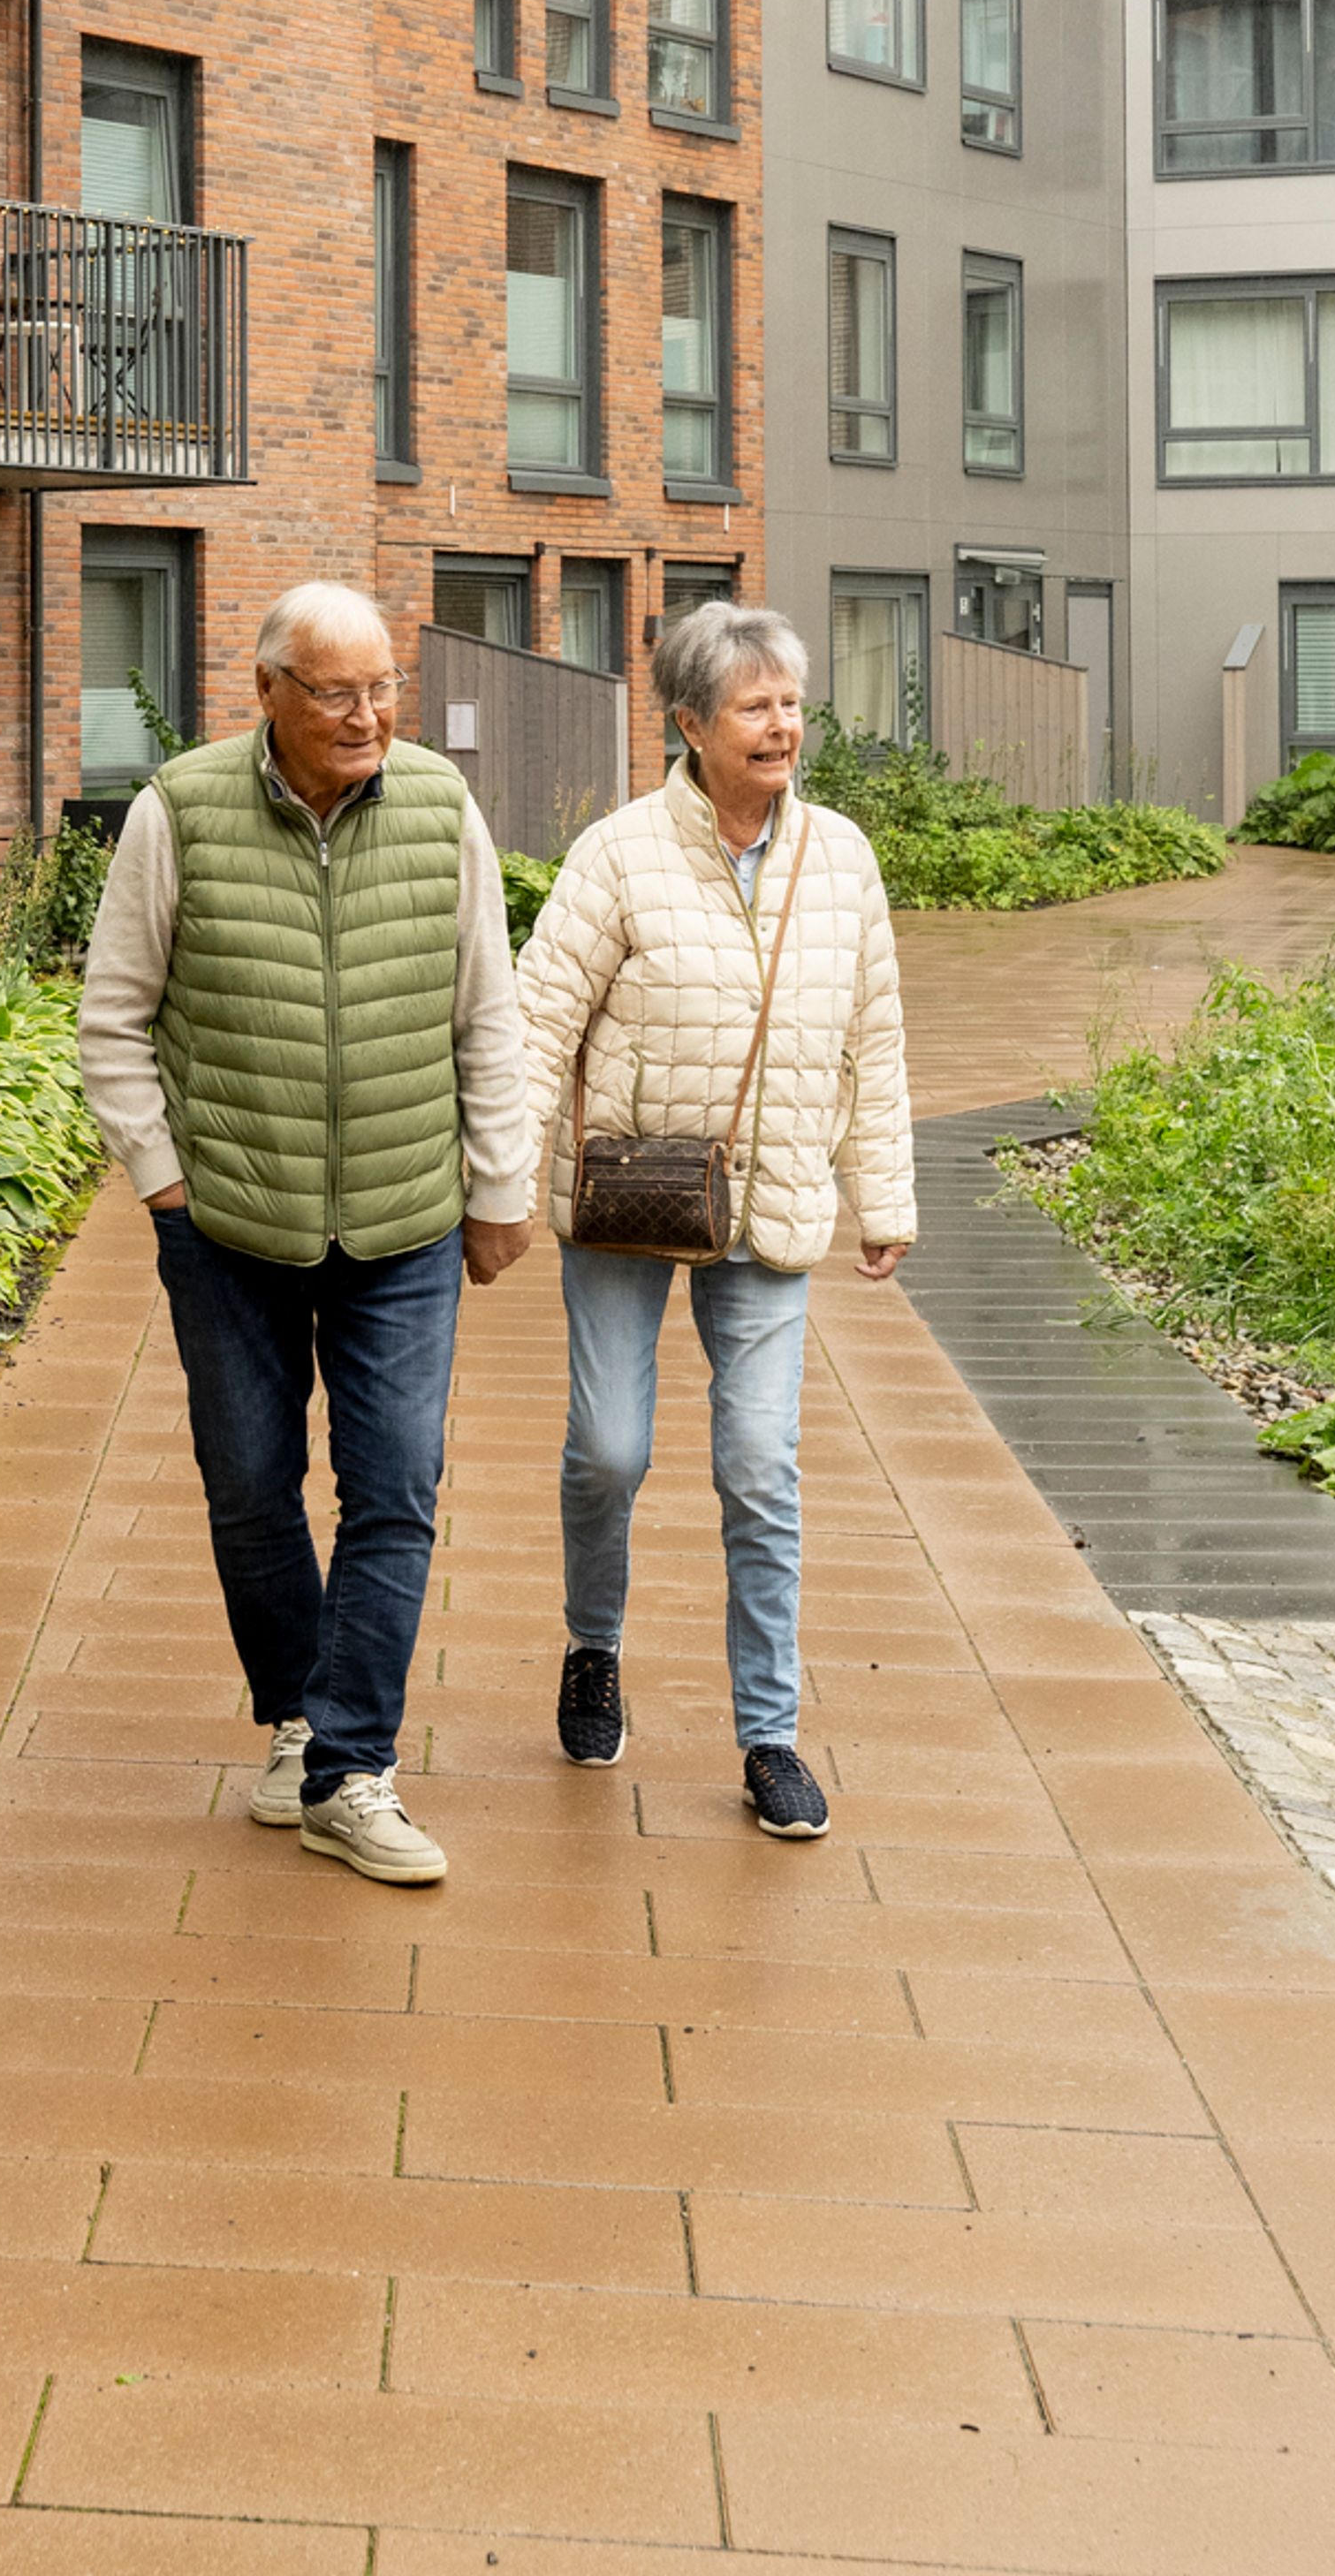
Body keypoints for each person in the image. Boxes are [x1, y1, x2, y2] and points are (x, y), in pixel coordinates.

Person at [77, 580, 532, 1886]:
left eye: (383, 687)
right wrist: (165, 1181)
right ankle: (297, 1719)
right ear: (267, 690)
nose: (367, 714)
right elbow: (115, 1017)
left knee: (395, 1489)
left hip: (403, 1219)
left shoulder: (440, 807)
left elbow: (488, 1016)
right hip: (228, 1221)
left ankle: (350, 1769)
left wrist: (499, 1187)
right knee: (251, 1490)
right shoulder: (180, 810)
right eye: (335, 692)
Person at [511, 602, 912, 1839]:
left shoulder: (840, 857)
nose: (784, 725)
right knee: (611, 1451)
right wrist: (495, 1183)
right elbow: (537, 1023)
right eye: (755, 706)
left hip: (777, 1197)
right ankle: (593, 1646)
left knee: (760, 1468)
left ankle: (771, 1734)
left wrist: (884, 1193)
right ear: (689, 723)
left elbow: (874, 1039)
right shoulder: (618, 855)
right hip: (631, 1197)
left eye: (792, 702)